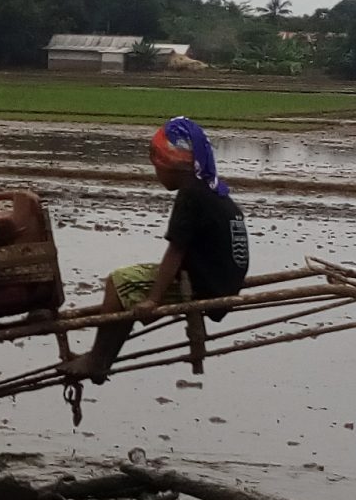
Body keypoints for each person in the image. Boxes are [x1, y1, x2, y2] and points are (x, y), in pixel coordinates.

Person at [61, 116, 249, 381]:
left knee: (119, 282)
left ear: (169, 163)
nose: (156, 173)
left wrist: (154, 299)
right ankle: (101, 356)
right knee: (130, 291)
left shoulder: (190, 194)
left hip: (203, 284)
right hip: (224, 279)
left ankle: (98, 359)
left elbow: (176, 250)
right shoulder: (212, 189)